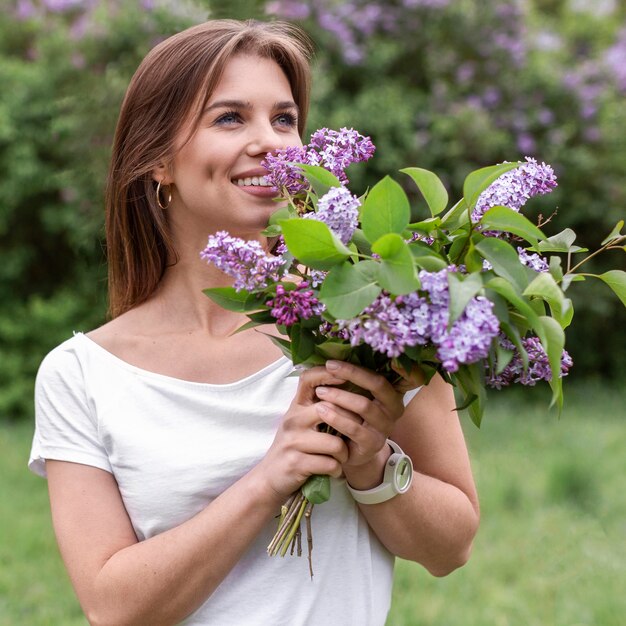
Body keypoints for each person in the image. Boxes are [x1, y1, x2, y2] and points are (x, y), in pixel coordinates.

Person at [29, 19, 479, 626]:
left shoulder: (377, 313)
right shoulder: (81, 375)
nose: (270, 141)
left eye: (285, 118)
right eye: (229, 118)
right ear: (158, 159)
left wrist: (371, 462)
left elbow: (452, 546)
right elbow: (113, 606)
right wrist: (271, 477)